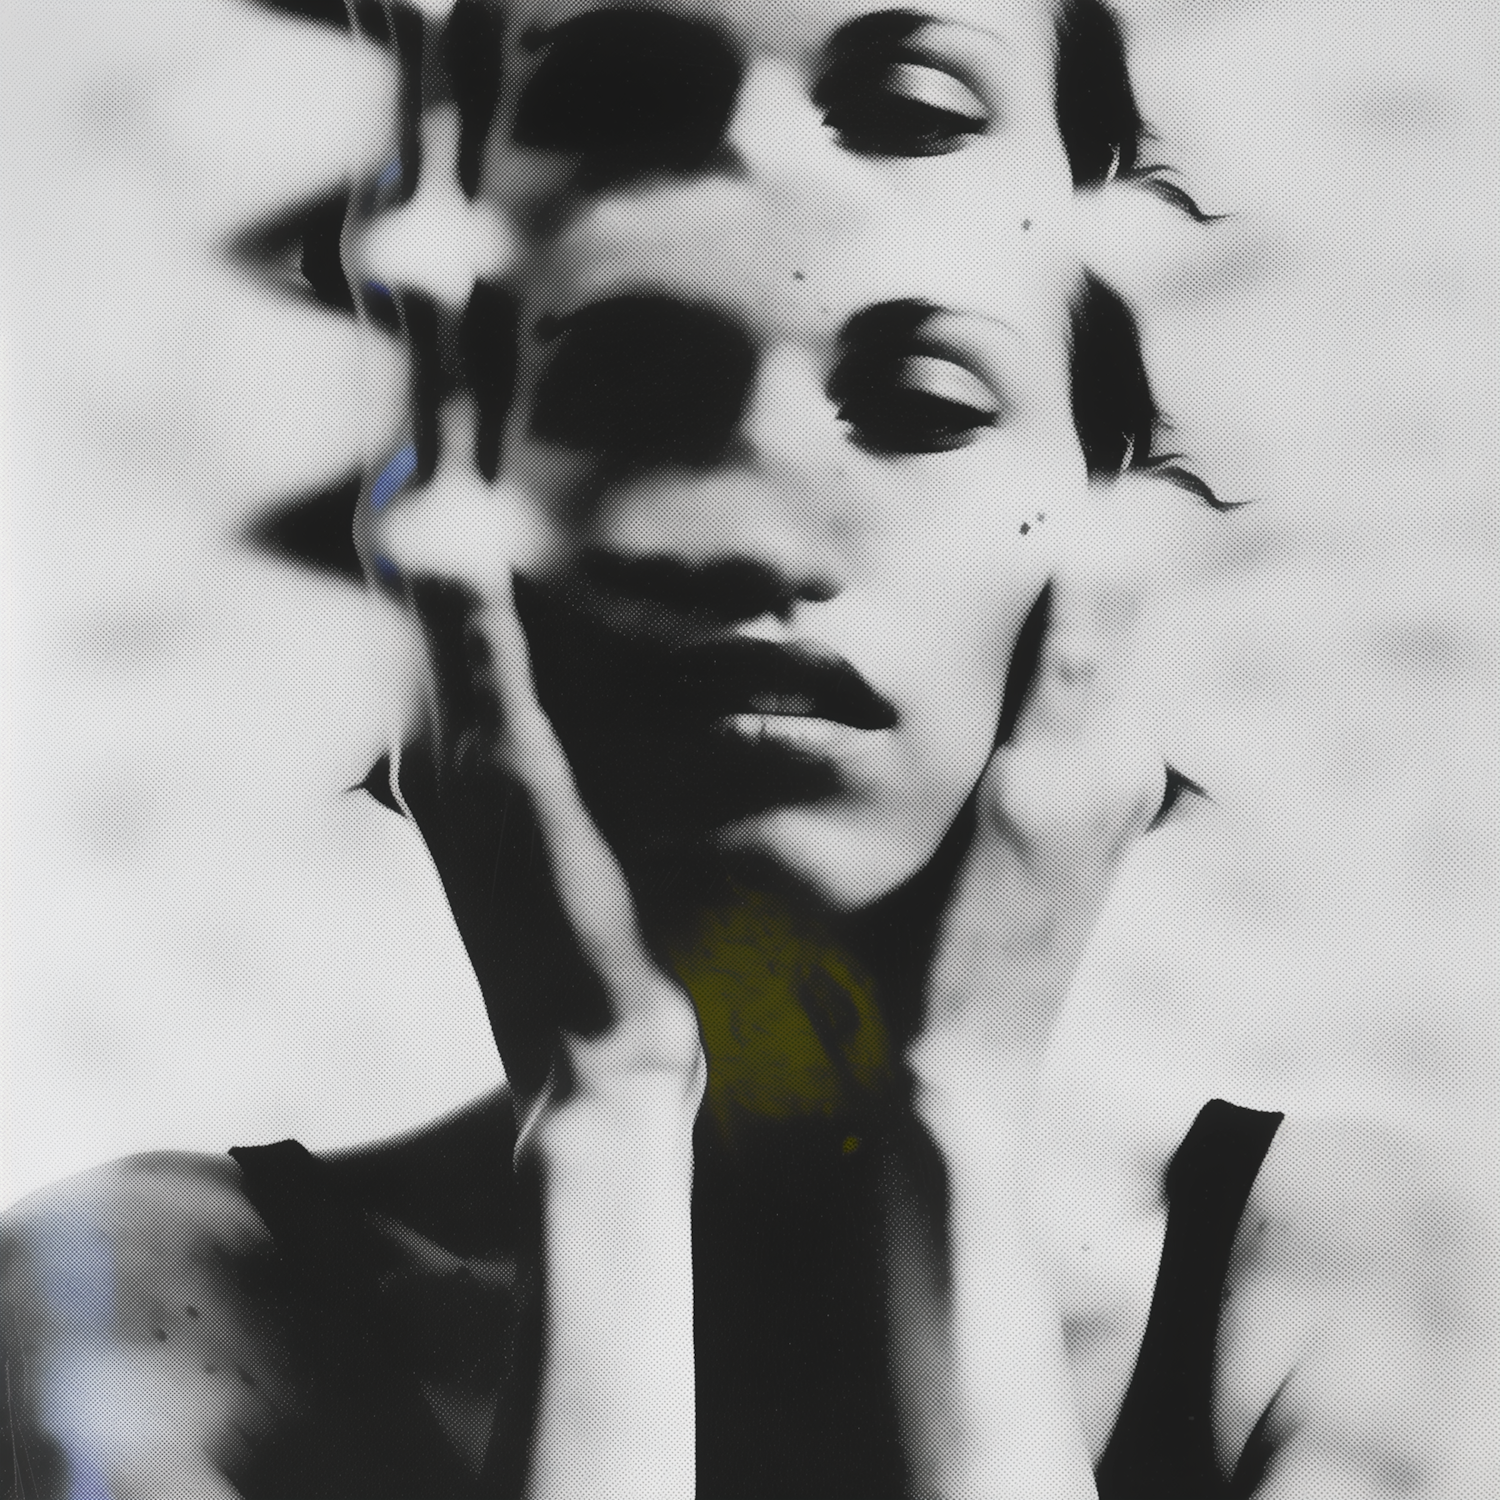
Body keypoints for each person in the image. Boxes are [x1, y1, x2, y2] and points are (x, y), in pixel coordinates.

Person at [0, 1, 1480, 1496]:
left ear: (1108, 518)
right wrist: (605, 1120)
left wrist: (955, 1127)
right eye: (631, 397)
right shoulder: (149, 1306)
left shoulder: (1362, 1280)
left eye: (922, 407)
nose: (757, 540)